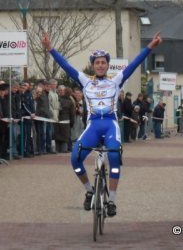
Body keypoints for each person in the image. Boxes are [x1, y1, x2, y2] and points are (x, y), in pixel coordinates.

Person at [42, 31, 162, 218]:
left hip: (110, 125)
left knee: (114, 158)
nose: (100, 65)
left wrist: (150, 48)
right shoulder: (85, 82)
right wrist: (51, 49)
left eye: (103, 62)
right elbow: (65, 66)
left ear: (107, 65)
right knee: (74, 159)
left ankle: (112, 200)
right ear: (92, 66)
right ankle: (89, 190)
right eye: (97, 63)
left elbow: (134, 64)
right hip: (93, 126)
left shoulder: (115, 81)